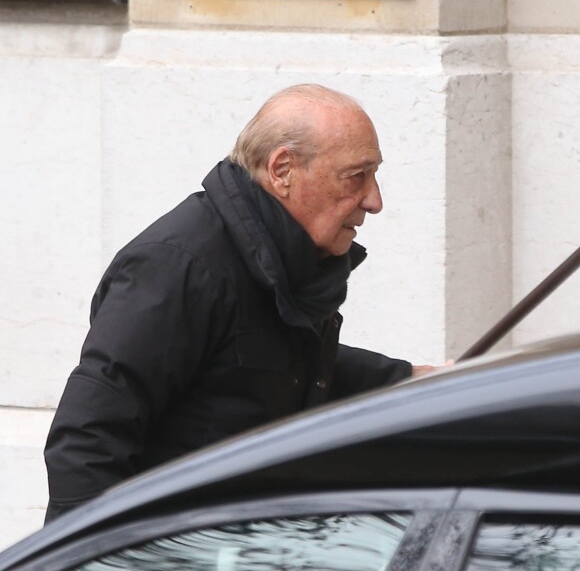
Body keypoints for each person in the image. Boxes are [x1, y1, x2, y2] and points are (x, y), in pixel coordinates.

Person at [44, 84, 439, 522]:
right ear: (282, 170)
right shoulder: (178, 265)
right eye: (356, 176)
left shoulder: (277, 257)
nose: (374, 200)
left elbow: (267, 361)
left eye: (375, 175)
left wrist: (407, 379)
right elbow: (87, 437)